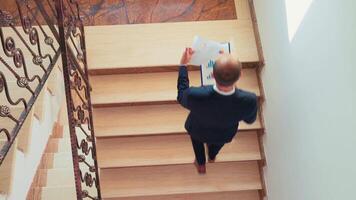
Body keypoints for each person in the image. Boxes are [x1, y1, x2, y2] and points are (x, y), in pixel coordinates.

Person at [177, 47, 258, 174]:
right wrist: (230, 63)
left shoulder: (195, 95)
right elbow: (250, 120)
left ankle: (201, 164)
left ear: (212, 75)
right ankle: (212, 156)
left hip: (198, 130)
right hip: (224, 134)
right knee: (216, 146)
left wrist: (183, 64)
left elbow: (181, 95)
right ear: (240, 76)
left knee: (197, 144)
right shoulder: (249, 100)